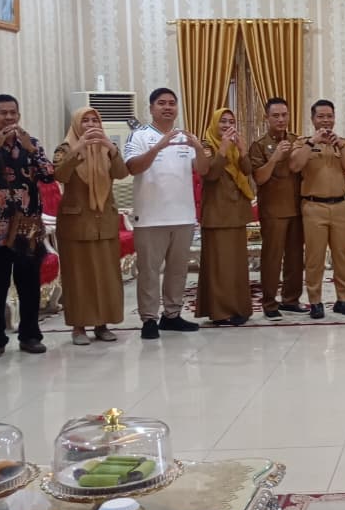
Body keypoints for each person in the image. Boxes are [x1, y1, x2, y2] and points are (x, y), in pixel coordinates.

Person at [0, 94, 54, 358]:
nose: (9, 117)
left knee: (29, 284)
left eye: (13, 113)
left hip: (29, 225)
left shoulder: (32, 144)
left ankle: (30, 336)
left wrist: (31, 149)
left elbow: (48, 175)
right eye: (3, 113)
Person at [124, 87, 209, 339]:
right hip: (150, 218)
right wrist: (158, 147)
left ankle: (172, 315)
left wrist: (198, 148)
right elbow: (132, 167)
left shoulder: (184, 137)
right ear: (151, 108)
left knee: (178, 270)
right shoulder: (139, 136)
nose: (168, 107)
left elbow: (203, 170)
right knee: (149, 272)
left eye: (172, 103)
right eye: (161, 103)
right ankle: (149, 319)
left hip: (183, 216)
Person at [54, 107, 130, 344]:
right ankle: (78, 327)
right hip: (76, 224)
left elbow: (121, 173)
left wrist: (110, 147)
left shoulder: (107, 149)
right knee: (79, 276)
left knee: (106, 275)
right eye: (85, 121)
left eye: (94, 120)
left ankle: (102, 324)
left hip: (104, 222)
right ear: (76, 125)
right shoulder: (65, 148)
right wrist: (78, 149)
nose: (90, 124)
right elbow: (60, 176)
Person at [290, 100, 345, 319]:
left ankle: (343, 300)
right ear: (313, 119)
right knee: (315, 258)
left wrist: (341, 146)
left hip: (340, 206)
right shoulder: (302, 142)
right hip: (313, 206)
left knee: (342, 257)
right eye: (321, 116)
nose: (326, 121)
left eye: (329, 116)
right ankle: (315, 302)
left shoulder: (344, 143)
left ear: (334, 118)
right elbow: (295, 166)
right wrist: (312, 142)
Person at [196, 108, 255, 326]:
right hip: (217, 215)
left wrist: (242, 149)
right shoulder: (205, 146)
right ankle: (220, 312)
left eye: (231, 121)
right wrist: (222, 148)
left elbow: (247, 171)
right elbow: (210, 174)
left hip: (237, 213)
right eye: (223, 121)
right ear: (214, 123)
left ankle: (238, 308)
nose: (227, 125)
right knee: (219, 267)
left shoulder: (234, 146)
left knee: (236, 266)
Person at [249, 98, 305, 320]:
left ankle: (291, 300)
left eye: (284, 115)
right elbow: (259, 178)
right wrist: (275, 157)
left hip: (297, 208)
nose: (281, 119)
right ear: (267, 118)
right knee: (272, 258)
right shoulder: (259, 145)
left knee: (295, 258)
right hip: (273, 210)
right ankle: (269, 302)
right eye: (276, 116)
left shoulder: (297, 141)